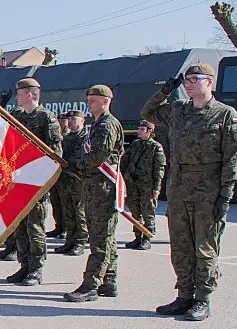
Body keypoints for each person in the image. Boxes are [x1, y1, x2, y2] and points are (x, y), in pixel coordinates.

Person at [142, 63, 237, 321]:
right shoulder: (178, 109)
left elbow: (233, 157)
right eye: (186, 80)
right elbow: (148, 113)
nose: (189, 84)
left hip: (208, 189)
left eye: (195, 79)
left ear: (209, 82)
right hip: (179, 187)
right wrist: (165, 91)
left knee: (204, 245)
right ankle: (184, 295)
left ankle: (202, 299)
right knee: (181, 245)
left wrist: (226, 194)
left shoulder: (224, 114)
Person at [64, 85, 124, 302]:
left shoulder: (107, 125)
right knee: (104, 236)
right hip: (94, 186)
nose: (89, 103)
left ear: (106, 101)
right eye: (88, 99)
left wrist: (78, 165)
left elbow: (99, 155)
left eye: (93, 100)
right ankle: (109, 280)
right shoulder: (97, 124)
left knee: (101, 239)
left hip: (103, 188)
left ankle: (91, 285)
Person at [5, 78, 62, 286]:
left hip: (36, 182)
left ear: (29, 95)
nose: (16, 98)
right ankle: (24, 265)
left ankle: (36, 269)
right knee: (20, 226)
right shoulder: (18, 116)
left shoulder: (46, 118)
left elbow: (56, 152)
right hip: (19, 179)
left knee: (34, 226)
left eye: (19, 94)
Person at [120, 120, 166, 250]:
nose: (139, 131)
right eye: (138, 129)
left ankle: (147, 237)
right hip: (133, 183)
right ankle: (138, 236)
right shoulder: (135, 144)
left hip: (147, 185)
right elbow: (125, 161)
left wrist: (157, 188)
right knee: (135, 212)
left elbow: (159, 170)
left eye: (142, 129)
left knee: (147, 212)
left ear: (149, 131)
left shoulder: (156, 147)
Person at [53, 110, 89, 256]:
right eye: (69, 120)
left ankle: (80, 242)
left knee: (79, 212)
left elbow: (87, 158)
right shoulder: (65, 138)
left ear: (82, 121)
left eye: (74, 119)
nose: (71, 122)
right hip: (65, 180)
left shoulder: (86, 139)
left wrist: (76, 165)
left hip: (78, 180)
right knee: (67, 212)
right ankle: (69, 241)